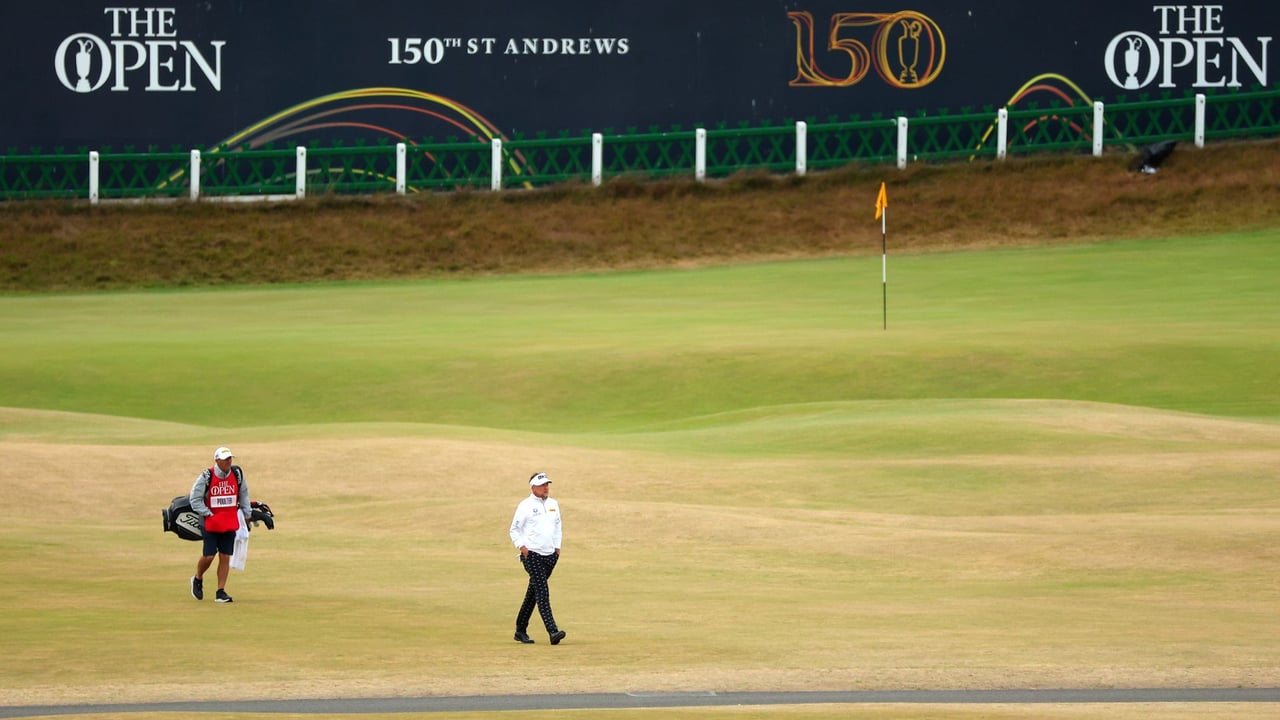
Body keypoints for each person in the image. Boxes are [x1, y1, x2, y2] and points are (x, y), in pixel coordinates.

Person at [509, 472, 565, 645]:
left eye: (547, 485)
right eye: (542, 485)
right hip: (532, 555)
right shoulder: (525, 506)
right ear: (533, 487)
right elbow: (514, 529)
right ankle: (553, 631)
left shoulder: (553, 504)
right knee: (542, 591)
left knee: (533, 593)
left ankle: (520, 629)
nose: (546, 488)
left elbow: (557, 528)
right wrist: (524, 549)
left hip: (550, 555)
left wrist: (557, 549)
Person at [188, 446, 251, 603]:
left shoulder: (237, 474)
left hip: (229, 521)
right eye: (225, 459)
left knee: (225, 555)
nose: (229, 461)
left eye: (230, 458)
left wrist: (247, 516)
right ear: (217, 461)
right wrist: (208, 514)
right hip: (210, 522)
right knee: (209, 555)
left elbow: (244, 496)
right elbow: (194, 499)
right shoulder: (206, 476)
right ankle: (197, 578)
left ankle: (220, 591)